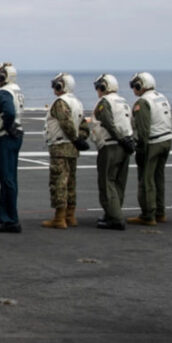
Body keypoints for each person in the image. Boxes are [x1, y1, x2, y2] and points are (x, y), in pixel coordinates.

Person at [41, 73, 90, 230]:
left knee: (59, 182)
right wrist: (79, 139)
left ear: (61, 85)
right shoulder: (77, 102)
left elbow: (66, 123)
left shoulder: (60, 102)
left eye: (56, 84)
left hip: (60, 146)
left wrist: (75, 138)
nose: (54, 87)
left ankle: (59, 218)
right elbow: (83, 125)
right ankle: (70, 216)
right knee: (71, 183)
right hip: (72, 147)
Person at [128, 72, 172, 226]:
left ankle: (148, 215)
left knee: (147, 179)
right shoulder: (161, 97)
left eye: (135, 85)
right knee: (158, 177)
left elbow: (143, 130)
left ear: (141, 85)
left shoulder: (143, 102)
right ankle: (160, 212)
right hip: (166, 140)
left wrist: (140, 149)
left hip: (153, 142)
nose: (133, 88)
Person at [90, 73, 135, 230]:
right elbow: (130, 123)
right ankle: (113, 212)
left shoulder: (105, 102)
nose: (97, 90)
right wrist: (128, 140)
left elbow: (108, 122)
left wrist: (120, 138)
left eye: (99, 87)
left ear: (104, 87)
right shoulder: (123, 102)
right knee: (118, 182)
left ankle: (115, 218)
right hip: (124, 145)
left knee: (107, 181)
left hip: (111, 146)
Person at [0, 62, 24, 233]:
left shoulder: (4, 93)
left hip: (5, 137)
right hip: (15, 136)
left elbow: (9, 112)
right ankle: (7, 217)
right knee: (10, 179)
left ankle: (10, 220)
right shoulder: (16, 90)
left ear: (3, 77)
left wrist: (7, 127)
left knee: (7, 179)